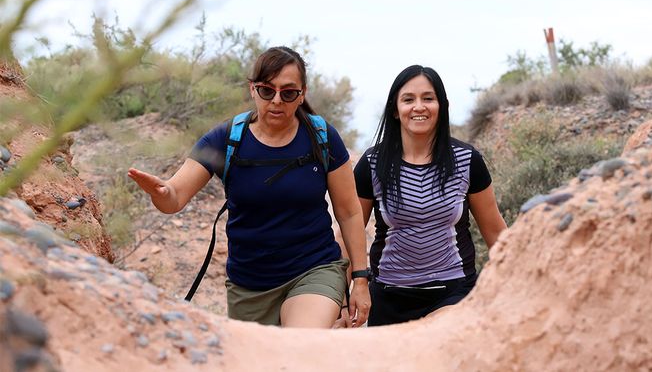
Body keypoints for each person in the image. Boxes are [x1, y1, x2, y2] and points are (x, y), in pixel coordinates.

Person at [128, 46, 371, 328]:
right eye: (267, 90)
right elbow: (174, 198)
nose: (277, 101)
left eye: (288, 93)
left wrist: (360, 280)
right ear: (253, 89)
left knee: (299, 346)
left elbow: (350, 212)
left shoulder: (322, 136)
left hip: (314, 269)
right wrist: (161, 193)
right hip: (250, 286)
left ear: (302, 94)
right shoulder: (226, 139)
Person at [353, 64, 507, 326]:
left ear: (441, 106)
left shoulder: (467, 160)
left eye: (428, 98)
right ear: (394, 109)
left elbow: (495, 230)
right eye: (408, 99)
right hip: (388, 296)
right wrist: (350, 291)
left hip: (454, 291)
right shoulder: (372, 164)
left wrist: (525, 280)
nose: (419, 107)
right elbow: (349, 231)